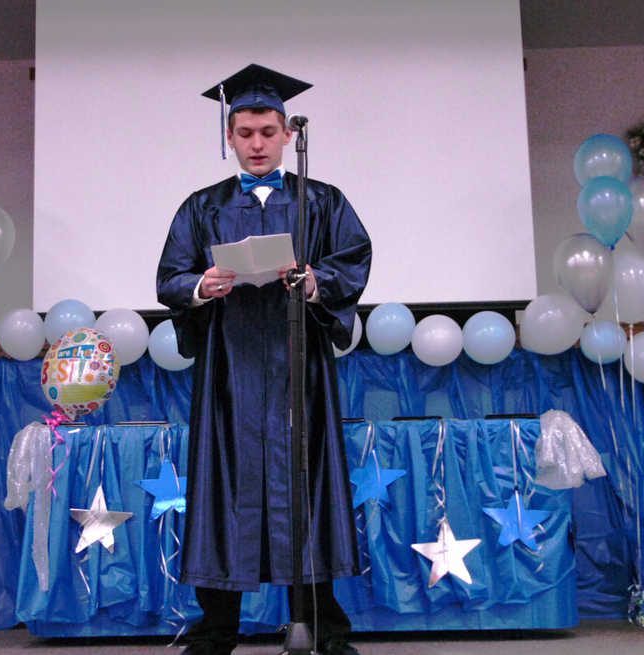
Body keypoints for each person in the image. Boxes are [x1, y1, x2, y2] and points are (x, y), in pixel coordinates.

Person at [156, 64, 372, 655]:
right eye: (245, 133)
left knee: (309, 483)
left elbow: (353, 259)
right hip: (230, 372)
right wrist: (202, 285)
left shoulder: (321, 201)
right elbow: (168, 278)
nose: (256, 144)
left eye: (267, 132)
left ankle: (323, 628)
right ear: (230, 136)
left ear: (286, 134)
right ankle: (217, 627)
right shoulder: (202, 207)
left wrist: (311, 282)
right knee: (224, 486)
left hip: (298, 368)